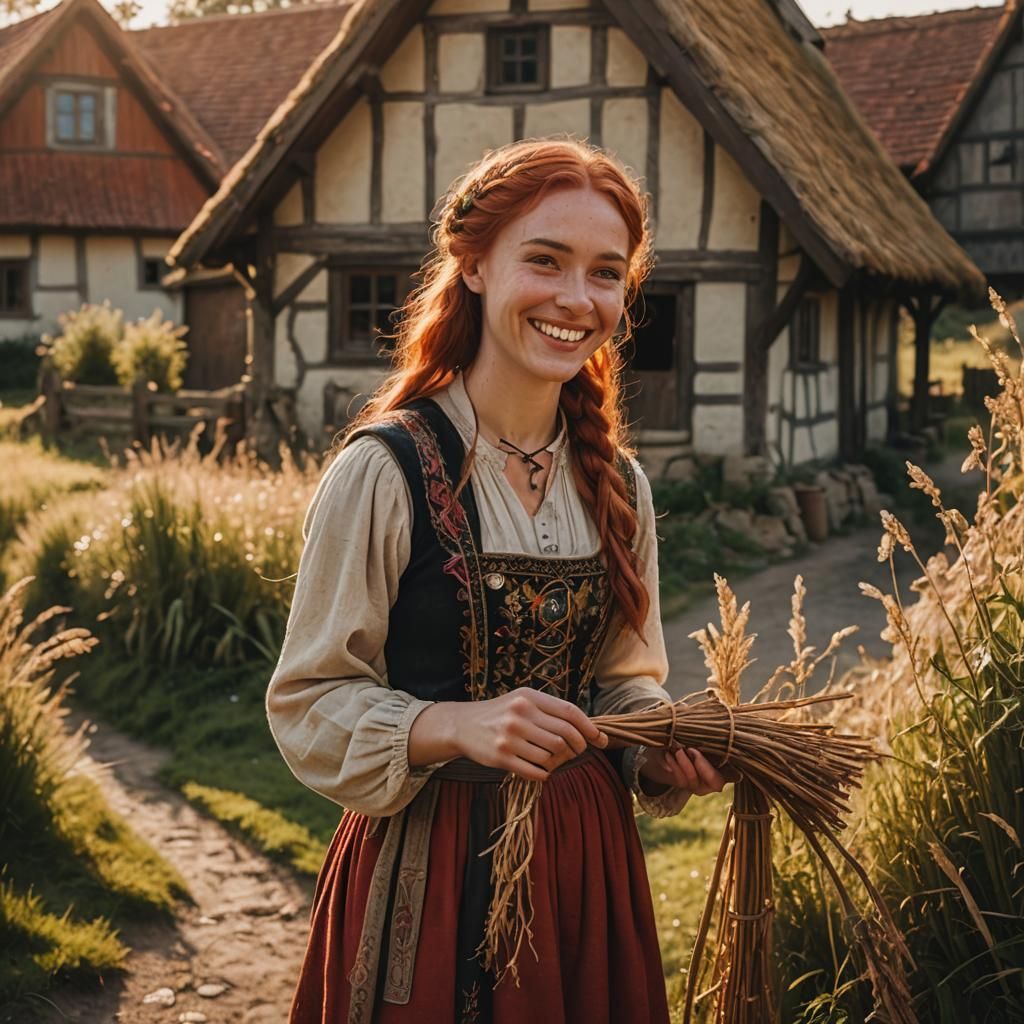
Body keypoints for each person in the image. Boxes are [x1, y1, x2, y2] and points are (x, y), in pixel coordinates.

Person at [266, 138, 732, 1024]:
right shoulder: (385, 469)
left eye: (605, 273)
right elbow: (307, 700)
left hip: (584, 865)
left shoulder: (619, 484)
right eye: (545, 260)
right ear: (474, 266)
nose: (576, 299)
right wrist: (454, 725)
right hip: (427, 871)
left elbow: (622, 683)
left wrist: (655, 741)